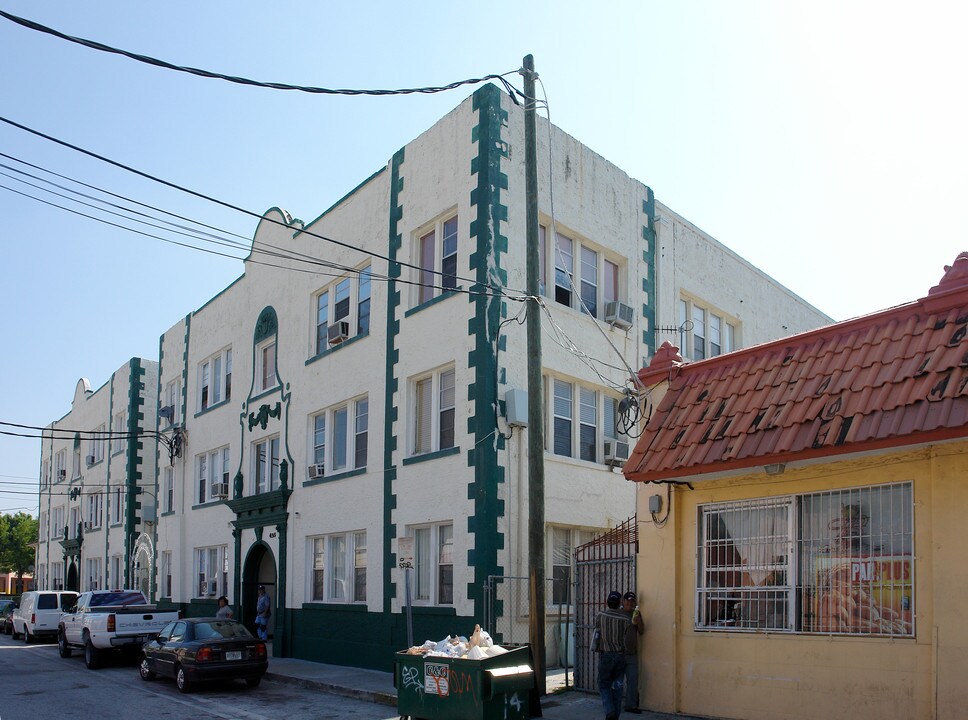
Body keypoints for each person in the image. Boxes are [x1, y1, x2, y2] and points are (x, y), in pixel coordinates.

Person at [594, 590, 631, 720]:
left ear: (607, 602)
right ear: (620, 603)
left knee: (604, 684)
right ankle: (616, 715)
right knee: (618, 686)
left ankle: (609, 711)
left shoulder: (600, 615)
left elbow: (597, 630)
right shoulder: (625, 619)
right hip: (620, 655)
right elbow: (626, 633)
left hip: (606, 655)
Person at [621, 591, 644, 714]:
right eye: (627, 601)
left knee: (633, 679)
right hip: (618, 652)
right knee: (617, 680)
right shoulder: (618, 613)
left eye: (632, 601)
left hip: (631, 653)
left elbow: (641, 631)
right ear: (623, 601)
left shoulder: (636, 613)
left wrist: (638, 620)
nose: (630, 603)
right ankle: (614, 704)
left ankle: (630, 705)